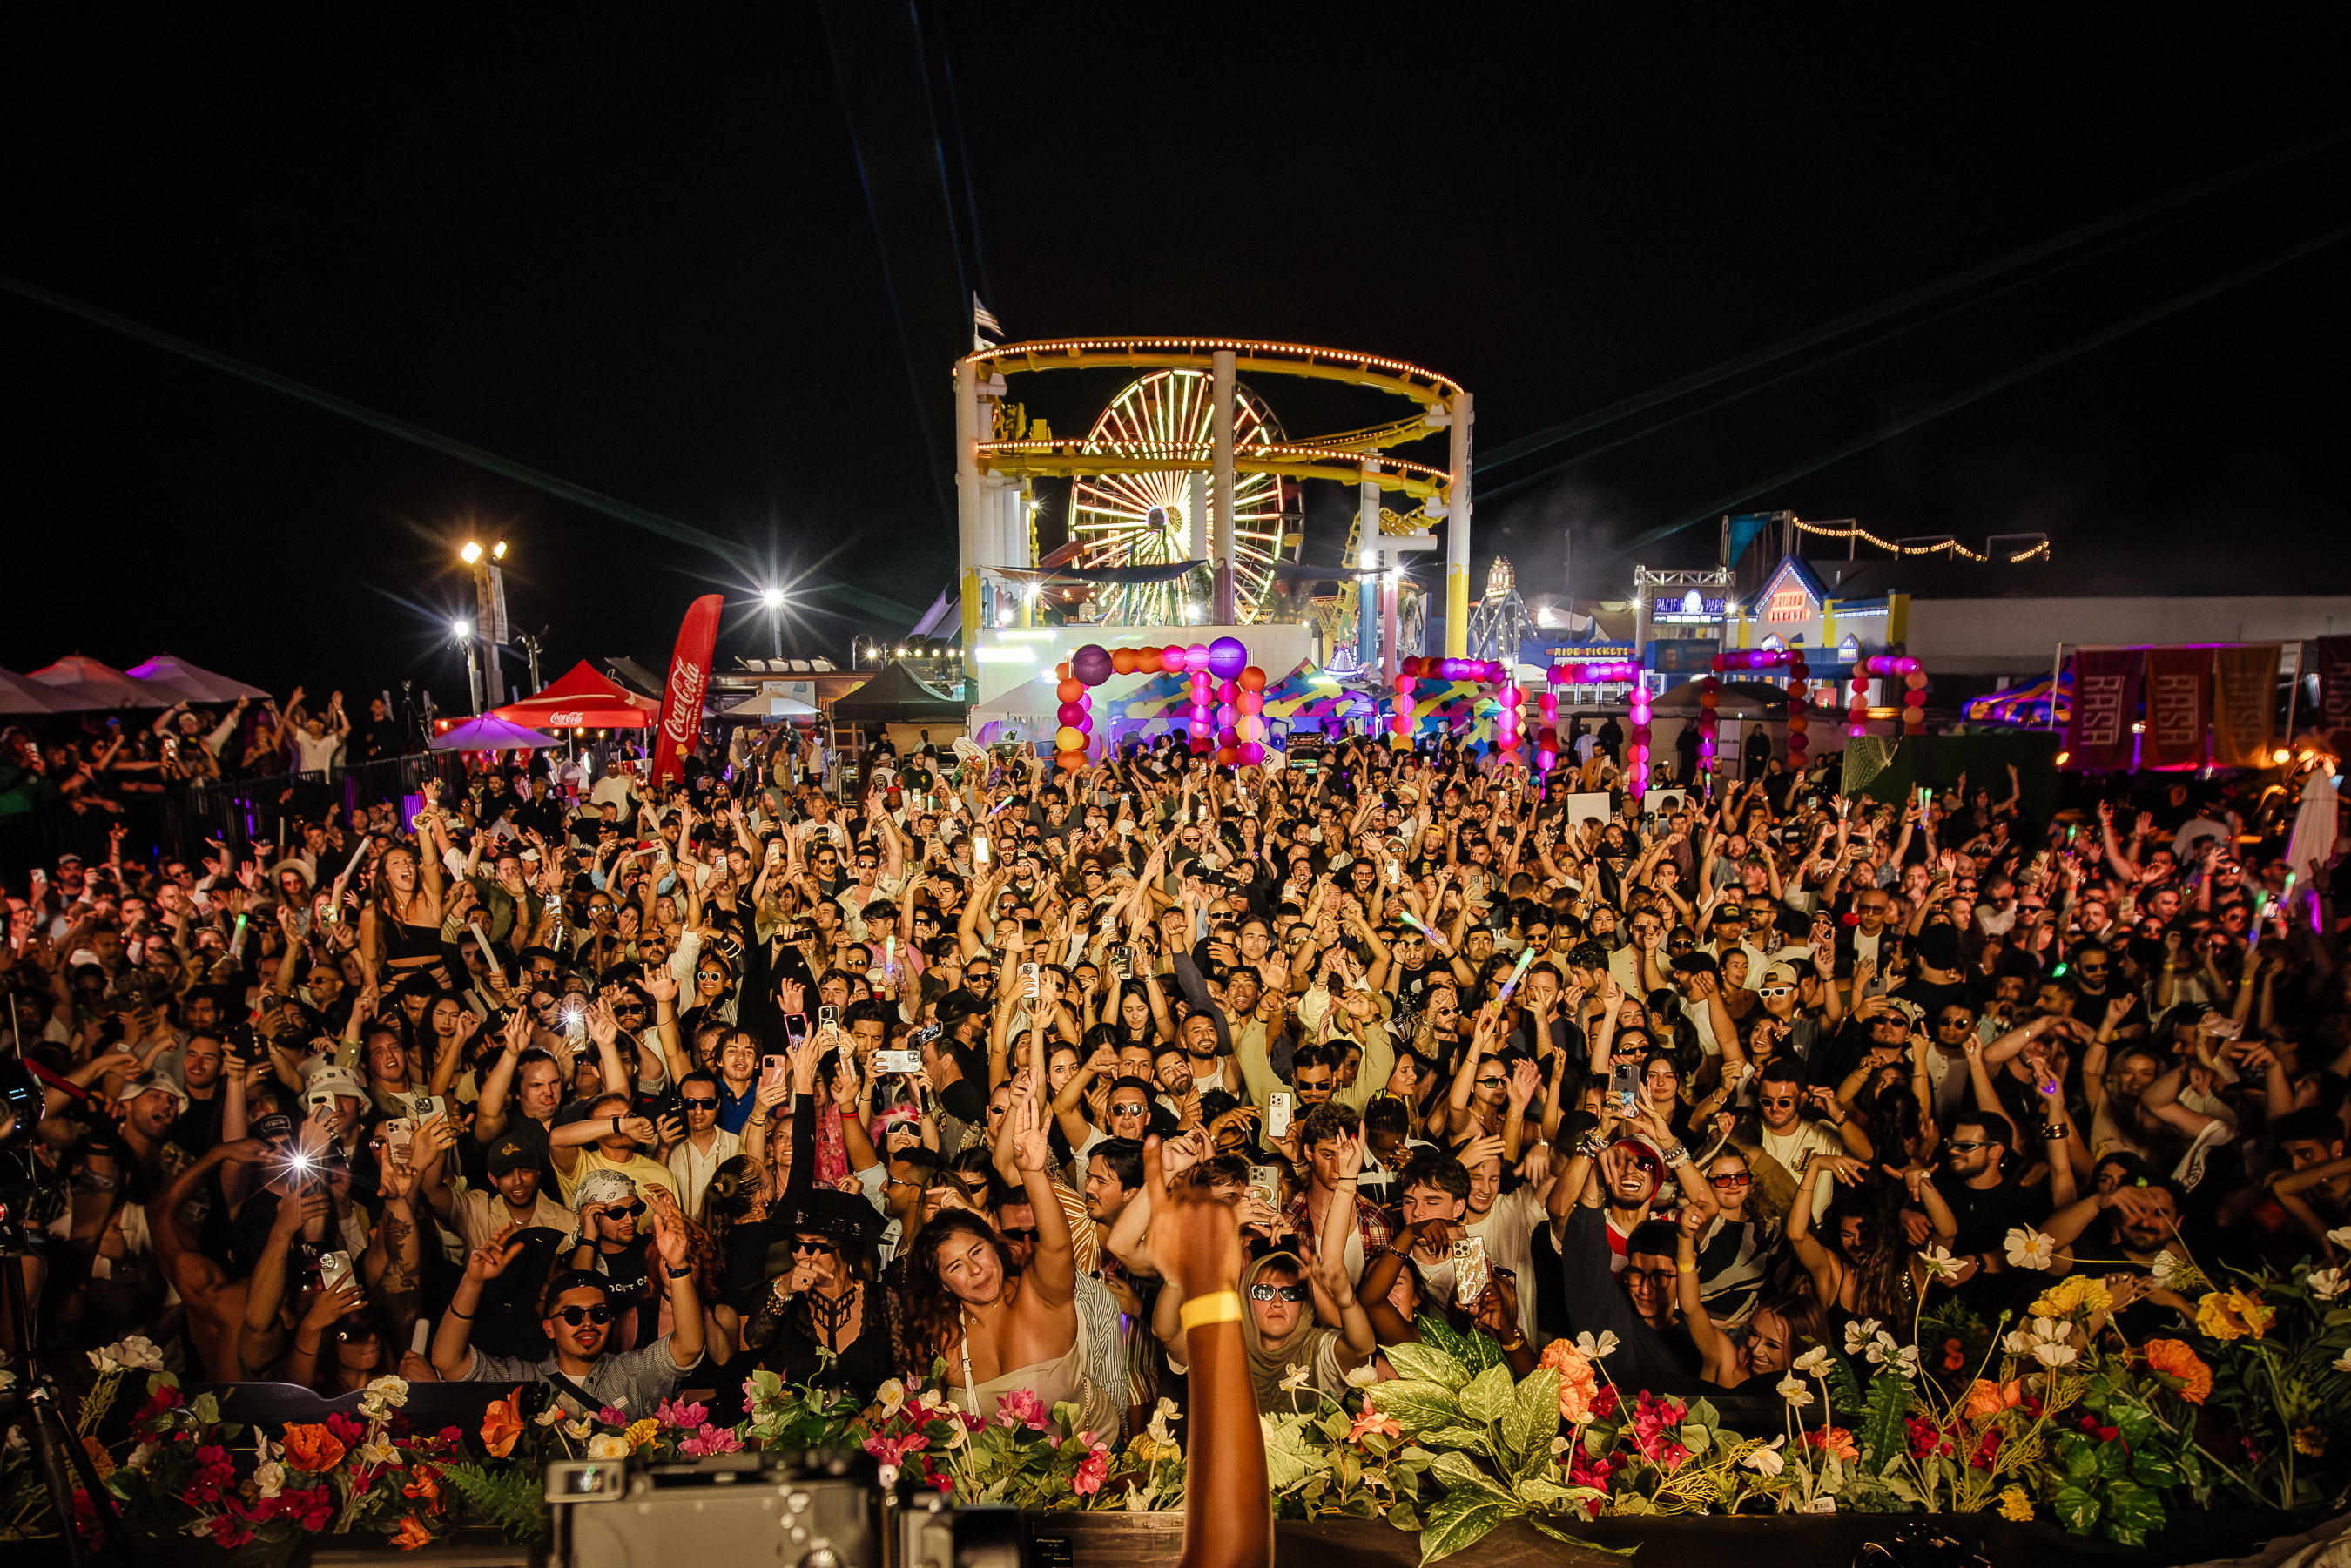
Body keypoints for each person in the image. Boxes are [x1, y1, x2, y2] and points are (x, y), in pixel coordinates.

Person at [432, 1202, 706, 1413]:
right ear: (549, 1326)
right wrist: (472, 1281)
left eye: (599, 1314)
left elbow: (689, 1347)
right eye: (573, 1315)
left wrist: (678, 1268)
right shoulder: (524, 1377)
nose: (587, 1323)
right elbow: (448, 1361)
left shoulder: (634, 1371)